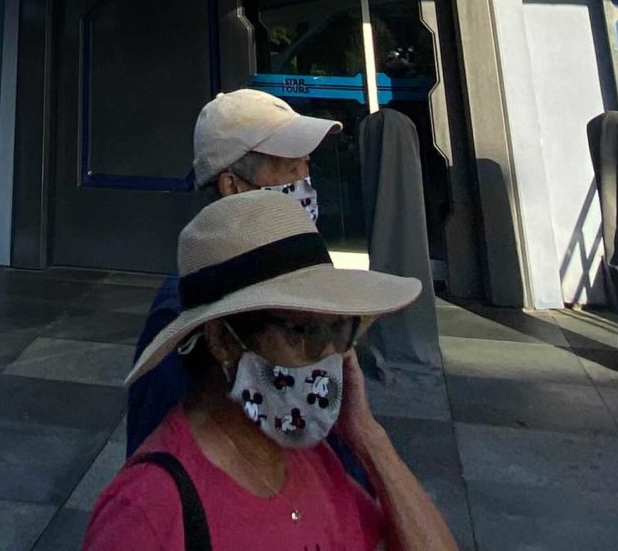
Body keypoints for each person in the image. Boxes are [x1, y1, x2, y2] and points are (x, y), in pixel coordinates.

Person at [85, 191, 455, 551]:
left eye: (339, 328)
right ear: (224, 341)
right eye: (306, 331)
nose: (329, 355)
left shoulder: (308, 453)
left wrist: (371, 441)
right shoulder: (150, 514)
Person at [127, 89, 339, 453]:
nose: (304, 180)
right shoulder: (186, 314)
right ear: (232, 185)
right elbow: (160, 456)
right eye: (289, 168)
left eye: (306, 164)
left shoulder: (299, 273)